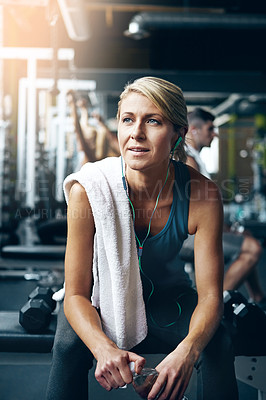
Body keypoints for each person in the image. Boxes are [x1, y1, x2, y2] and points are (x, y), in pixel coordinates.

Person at [46, 77, 238, 400]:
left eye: (153, 120)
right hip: (101, 301)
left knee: (217, 340)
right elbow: (76, 294)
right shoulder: (90, 190)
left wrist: (187, 352)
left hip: (170, 300)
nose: (136, 133)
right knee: (67, 344)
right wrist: (103, 348)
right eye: (127, 120)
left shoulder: (203, 195)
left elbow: (209, 298)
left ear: (179, 133)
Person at [184, 107, 266, 310]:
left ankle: (258, 297)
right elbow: (197, 210)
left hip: (198, 229)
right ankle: (213, 308)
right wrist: (226, 229)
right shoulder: (188, 160)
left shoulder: (196, 157)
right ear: (193, 129)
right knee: (253, 248)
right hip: (186, 236)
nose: (215, 133)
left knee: (246, 235)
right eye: (210, 129)